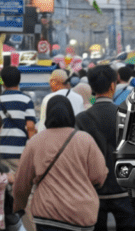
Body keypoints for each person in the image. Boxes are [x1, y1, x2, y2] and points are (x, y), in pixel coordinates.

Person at [13, 97, 108, 231]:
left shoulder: (35, 142)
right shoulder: (85, 140)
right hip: (81, 215)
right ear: (70, 114)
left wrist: (19, 206)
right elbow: (99, 176)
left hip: (47, 214)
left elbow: (22, 182)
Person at [75, 66, 135, 231]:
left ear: (91, 87)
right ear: (112, 86)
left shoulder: (81, 119)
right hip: (125, 190)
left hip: (93, 192)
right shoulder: (127, 116)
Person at [0, 66, 38, 231]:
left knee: (4, 192)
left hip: (0, 154)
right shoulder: (26, 100)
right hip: (20, 153)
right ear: (19, 80)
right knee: (25, 193)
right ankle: (30, 228)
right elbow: (30, 127)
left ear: (2, 82)